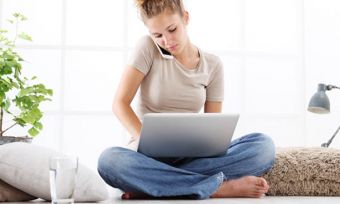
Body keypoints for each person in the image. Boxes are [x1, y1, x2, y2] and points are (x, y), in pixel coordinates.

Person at [97, 0, 275, 200]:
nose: (167, 40)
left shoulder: (213, 65)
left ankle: (157, 184)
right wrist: (144, 141)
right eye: (158, 35)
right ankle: (217, 188)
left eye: (172, 29)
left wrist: (206, 148)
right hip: (148, 158)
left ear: (186, 18)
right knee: (110, 161)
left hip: (193, 157)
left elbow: (213, 127)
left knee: (263, 146)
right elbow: (119, 103)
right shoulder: (146, 47)